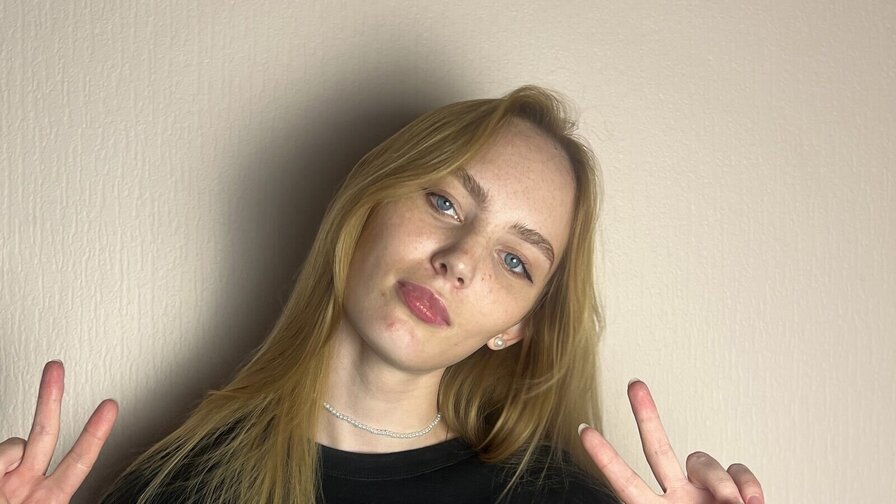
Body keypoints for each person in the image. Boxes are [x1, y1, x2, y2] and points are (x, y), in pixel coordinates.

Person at [0, 86, 764, 504]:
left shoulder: (559, 502)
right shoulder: (179, 488)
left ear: (517, 328)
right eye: (444, 202)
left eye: (514, 261)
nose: (460, 262)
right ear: (368, 205)